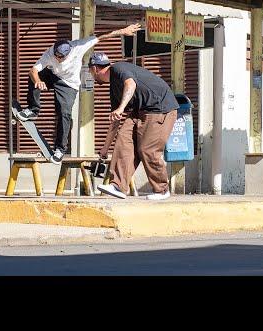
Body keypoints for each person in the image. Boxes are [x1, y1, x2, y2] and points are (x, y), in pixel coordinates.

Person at [15, 23, 141, 164]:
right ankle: (33, 109)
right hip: (53, 75)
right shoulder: (49, 53)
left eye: (61, 57)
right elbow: (33, 70)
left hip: (69, 84)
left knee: (64, 113)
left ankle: (60, 149)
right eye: (56, 56)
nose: (58, 59)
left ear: (68, 52)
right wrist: (38, 81)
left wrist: (123, 31)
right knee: (33, 77)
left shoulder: (78, 46)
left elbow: (101, 36)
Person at [88, 52, 179, 200]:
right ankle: (117, 185)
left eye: (90, 72)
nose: (91, 75)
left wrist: (121, 107)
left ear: (95, 69)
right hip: (140, 111)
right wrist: (104, 149)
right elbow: (115, 120)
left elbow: (130, 83)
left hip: (160, 108)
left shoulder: (118, 68)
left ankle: (162, 190)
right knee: (123, 142)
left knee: (147, 149)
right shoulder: (113, 87)